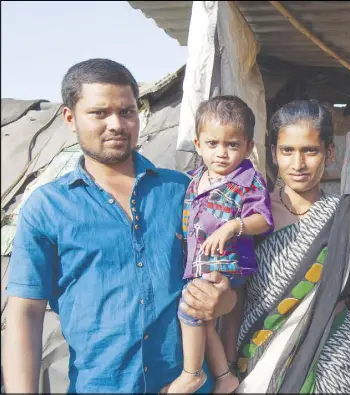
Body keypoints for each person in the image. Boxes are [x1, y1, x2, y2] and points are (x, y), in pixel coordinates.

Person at [2, 58, 237, 394]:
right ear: (70, 118)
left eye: (127, 112)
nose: (116, 124)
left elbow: (227, 282)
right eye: (100, 113)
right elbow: (25, 313)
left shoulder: (181, 191)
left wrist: (222, 298)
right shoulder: (47, 208)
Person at [224, 100, 350, 393]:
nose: (298, 164)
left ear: (329, 153)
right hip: (258, 363)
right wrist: (227, 369)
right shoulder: (250, 220)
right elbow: (236, 300)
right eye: (287, 151)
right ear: (273, 153)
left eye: (310, 151)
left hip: (333, 364)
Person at [166, 96, 273, 394]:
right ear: (198, 144)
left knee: (190, 309)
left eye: (232, 145)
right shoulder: (195, 178)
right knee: (203, 318)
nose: (222, 154)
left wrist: (233, 226)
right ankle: (224, 377)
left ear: (249, 146)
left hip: (227, 262)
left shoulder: (249, 180)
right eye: (213, 144)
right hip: (201, 263)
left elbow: (263, 219)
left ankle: (192, 373)